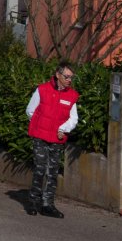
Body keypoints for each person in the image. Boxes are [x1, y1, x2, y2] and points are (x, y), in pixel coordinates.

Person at [26, 62, 79, 218]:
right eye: (66, 76)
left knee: (52, 172)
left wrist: (63, 129)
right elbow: (30, 110)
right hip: (40, 137)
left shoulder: (72, 95)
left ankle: (48, 205)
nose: (69, 79)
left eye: (71, 77)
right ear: (58, 75)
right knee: (40, 169)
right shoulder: (42, 90)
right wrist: (41, 125)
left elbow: (73, 118)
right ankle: (34, 202)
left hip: (57, 138)